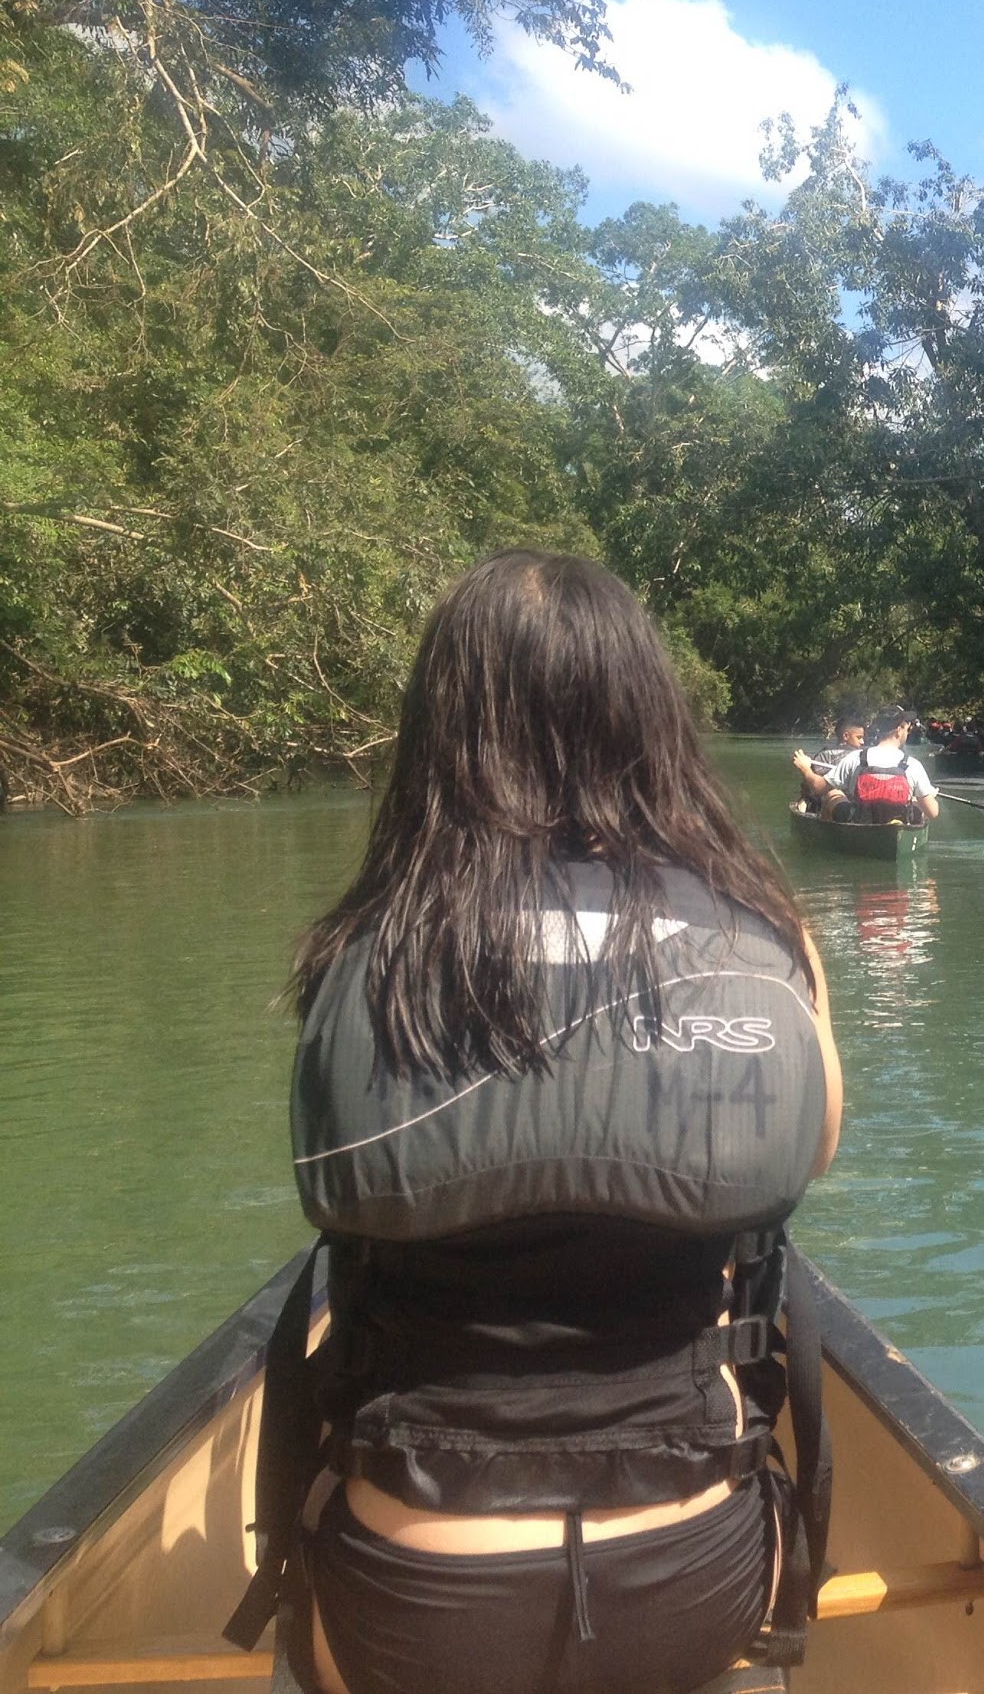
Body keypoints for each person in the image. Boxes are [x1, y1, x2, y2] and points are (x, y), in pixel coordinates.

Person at [228, 549, 843, 1694]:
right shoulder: (767, 935)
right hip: (690, 1568)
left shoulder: (366, 952)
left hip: (415, 1584)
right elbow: (805, 1154)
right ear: (650, 718)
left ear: (442, 730)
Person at [840, 707, 940, 824]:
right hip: (896, 826)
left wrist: (811, 772)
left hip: (862, 826)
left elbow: (819, 787)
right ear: (898, 730)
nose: (907, 733)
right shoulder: (912, 764)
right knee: (918, 805)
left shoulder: (855, 757)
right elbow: (933, 813)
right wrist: (931, 796)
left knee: (833, 794)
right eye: (907, 729)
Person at [790, 715, 864, 812]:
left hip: (828, 805)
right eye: (859, 737)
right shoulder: (862, 757)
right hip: (854, 806)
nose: (862, 742)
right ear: (845, 736)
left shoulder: (822, 755)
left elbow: (808, 788)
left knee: (805, 799)